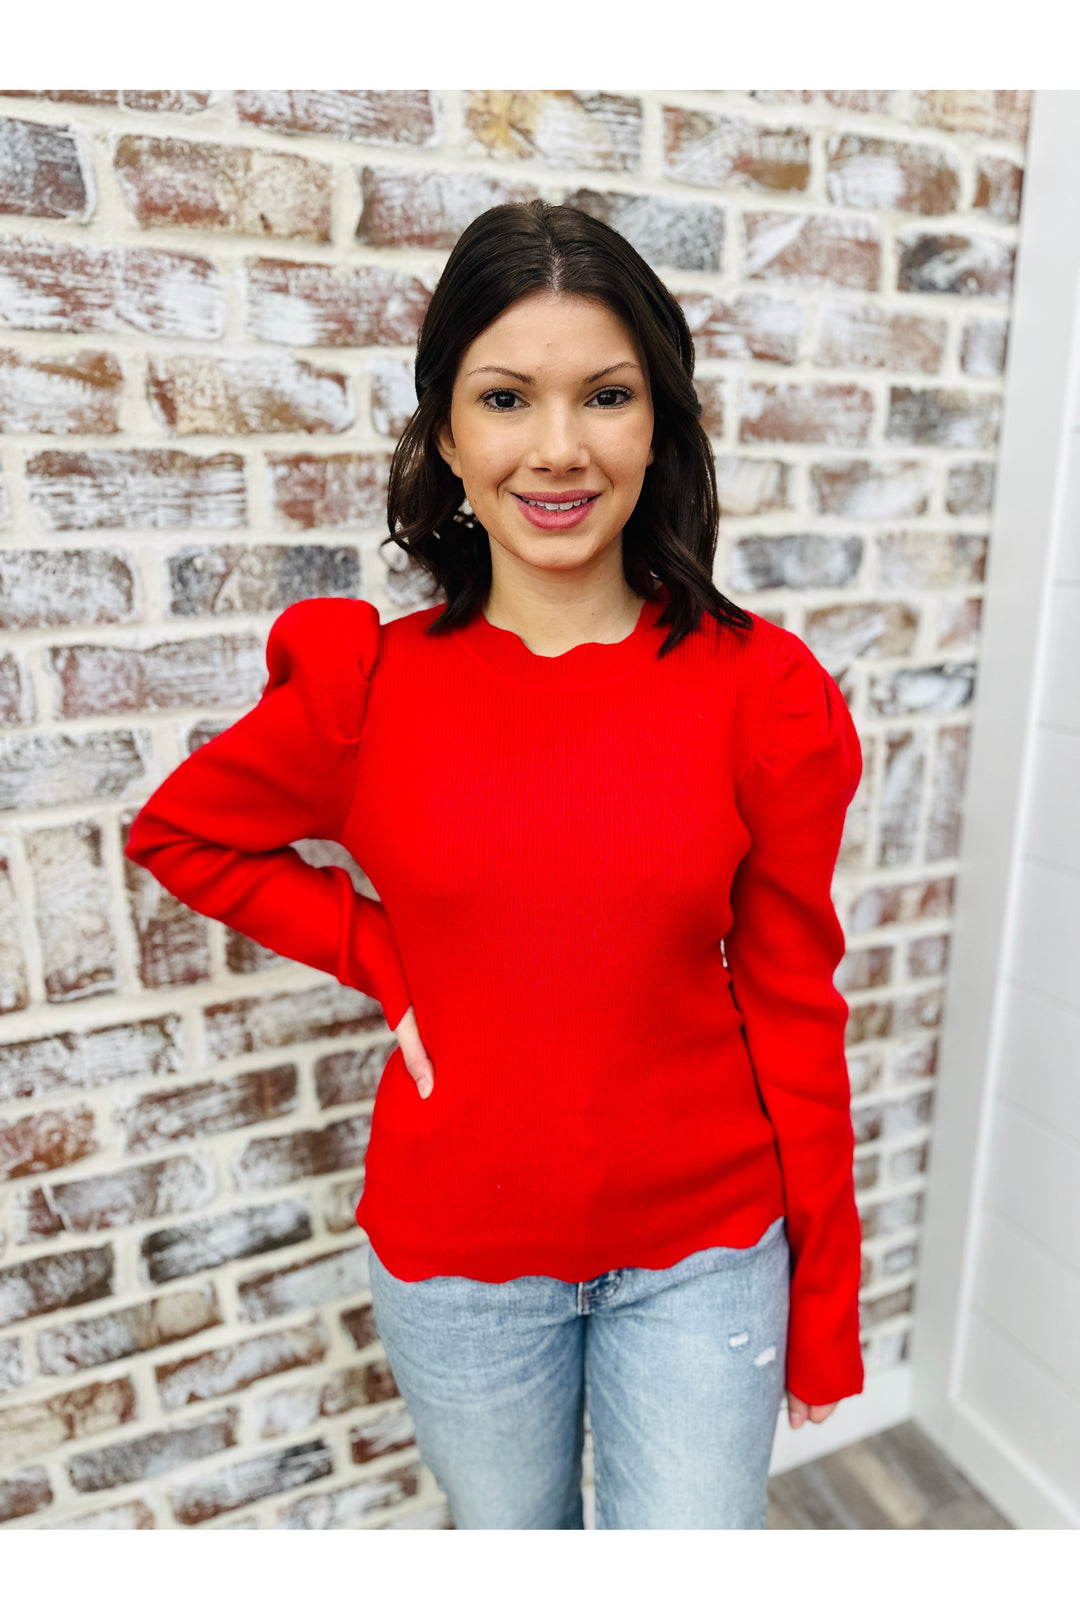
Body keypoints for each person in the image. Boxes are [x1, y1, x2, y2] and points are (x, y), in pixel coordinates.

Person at [124, 199, 865, 1530]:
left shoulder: (763, 694)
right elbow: (178, 835)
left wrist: (826, 1306)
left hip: (706, 1255)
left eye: (608, 395)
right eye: (508, 397)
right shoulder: (367, 693)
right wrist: (376, 952)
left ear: (660, 423)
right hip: (461, 1269)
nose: (559, 447)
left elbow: (798, 1007)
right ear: (449, 434)